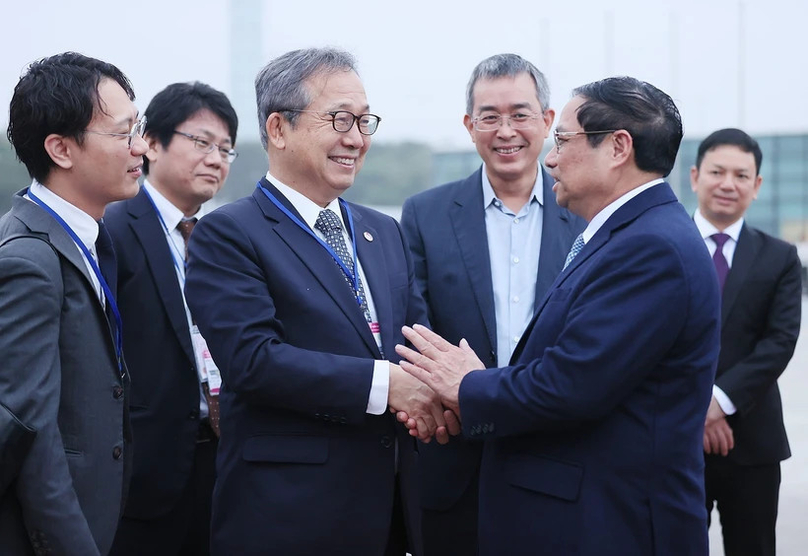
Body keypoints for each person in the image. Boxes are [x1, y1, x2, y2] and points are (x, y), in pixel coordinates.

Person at [396, 76, 721, 555]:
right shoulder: (628, 234)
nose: (550, 158)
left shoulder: (651, 248)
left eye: (563, 140)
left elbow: (570, 385)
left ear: (617, 147)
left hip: (613, 524)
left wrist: (467, 384)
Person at [183, 47, 454, 556]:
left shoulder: (383, 231)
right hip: (288, 517)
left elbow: (414, 342)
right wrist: (386, 385)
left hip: (391, 514)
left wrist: (449, 387)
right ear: (279, 129)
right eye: (339, 119)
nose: (356, 138)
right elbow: (253, 361)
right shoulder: (228, 234)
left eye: (364, 121)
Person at [400, 53, 584, 555]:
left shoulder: (587, 217)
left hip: (558, 459)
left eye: (520, 114)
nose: (506, 131)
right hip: (455, 456)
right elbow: (414, 323)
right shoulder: (424, 214)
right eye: (490, 116)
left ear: (547, 121)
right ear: (469, 125)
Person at [0, 52, 147, 555]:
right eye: (123, 133)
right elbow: (31, 440)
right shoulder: (29, 259)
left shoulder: (86, 237)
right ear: (61, 149)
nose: (141, 147)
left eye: (139, 127)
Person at [105, 82, 238, 556]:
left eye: (225, 149)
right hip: (141, 468)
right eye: (201, 142)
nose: (216, 158)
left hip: (223, 463)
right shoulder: (113, 227)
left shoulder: (221, 237)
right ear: (153, 144)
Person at [690, 128, 801, 556]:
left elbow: (779, 341)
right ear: (696, 175)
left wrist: (718, 402)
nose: (727, 183)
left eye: (741, 175)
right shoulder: (661, 245)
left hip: (752, 441)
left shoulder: (779, 257)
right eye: (717, 171)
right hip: (676, 439)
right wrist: (698, 408)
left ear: (756, 187)